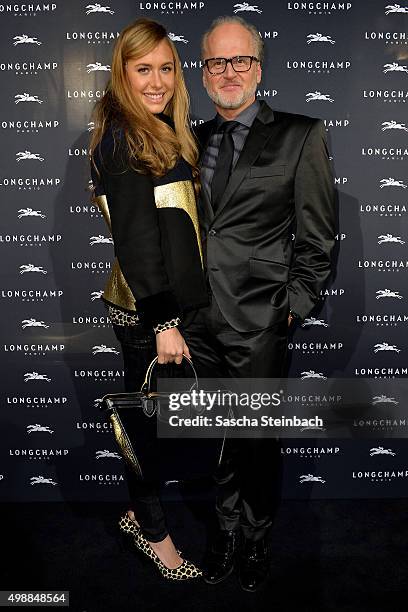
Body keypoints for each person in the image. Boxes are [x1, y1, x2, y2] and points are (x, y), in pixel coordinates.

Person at [182, 15, 336, 591]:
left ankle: (256, 538)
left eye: (239, 60)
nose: (228, 72)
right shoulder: (186, 141)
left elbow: (318, 238)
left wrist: (290, 307)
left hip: (260, 318)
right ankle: (222, 534)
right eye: (216, 62)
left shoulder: (302, 134)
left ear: (258, 67)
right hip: (196, 321)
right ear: (203, 72)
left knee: (256, 440)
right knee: (213, 435)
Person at [89, 18, 208, 581]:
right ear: (123, 74)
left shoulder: (159, 128)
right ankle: (155, 536)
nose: (157, 81)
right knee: (149, 430)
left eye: (166, 68)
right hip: (147, 313)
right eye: (144, 70)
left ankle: (141, 512)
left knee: (165, 425)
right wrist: (163, 322)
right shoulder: (123, 137)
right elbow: (136, 243)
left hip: (166, 309)